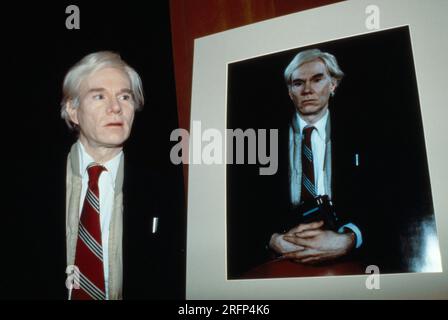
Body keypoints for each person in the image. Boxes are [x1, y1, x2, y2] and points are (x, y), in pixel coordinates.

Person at [56, 51, 184, 299]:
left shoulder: (165, 190)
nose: (115, 107)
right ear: (73, 110)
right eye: (99, 96)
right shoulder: (27, 191)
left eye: (125, 96)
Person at [267, 49, 362, 264]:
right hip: (284, 257)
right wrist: (273, 239)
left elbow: (384, 200)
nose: (308, 90)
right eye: (298, 83)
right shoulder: (264, 139)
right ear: (290, 92)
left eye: (317, 80)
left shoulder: (362, 134)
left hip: (348, 258)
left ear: (333, 84)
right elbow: (247, 205)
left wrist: (350, 238)